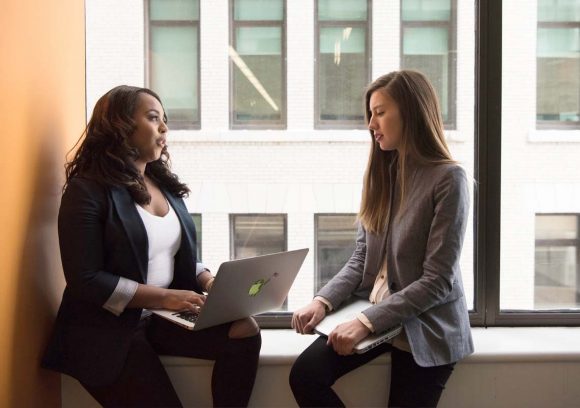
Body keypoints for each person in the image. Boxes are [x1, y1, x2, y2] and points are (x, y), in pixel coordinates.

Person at [42, 85, 261, 407]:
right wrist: (168, 297)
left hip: (158, 318)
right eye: (154, 118)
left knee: (244, 329)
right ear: (120, 126)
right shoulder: (86, 190)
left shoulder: (164, 186)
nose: (164, 128)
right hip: (105, 330)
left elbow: (172, 255)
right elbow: (85, 279)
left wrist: (210, 281)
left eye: (165, 120)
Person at [289, 70, 473, 408]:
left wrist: (365, 323)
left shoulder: (449, 179)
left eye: (380, 112)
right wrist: (322, 302)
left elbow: (437, 282)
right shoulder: (382, 173)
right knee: (305, 375)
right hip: (377, 311)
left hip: (425, 323)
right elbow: (362, 259)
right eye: (370, 114)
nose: (371, 123)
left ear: (411, 111)